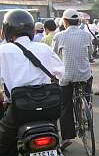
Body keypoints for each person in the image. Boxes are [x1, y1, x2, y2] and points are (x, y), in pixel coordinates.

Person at [0, 9, 64, 155]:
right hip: (49, 109)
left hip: (19, 111)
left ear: (7, 30)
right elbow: (62, 73)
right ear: (31, 30)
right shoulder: (44, 48)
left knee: (5, 145)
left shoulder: (3, 51)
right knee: (53, 133)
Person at [52, 9, 93, 150]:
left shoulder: (59, 36)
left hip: (67, 77)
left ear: (65, 21)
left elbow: (54, 55)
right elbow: (91, 52)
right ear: (78, 21)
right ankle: (86, 107)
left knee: (66, 106)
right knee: (87, 93)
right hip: (85, 76)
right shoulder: (86, 35)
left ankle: (67, 137)